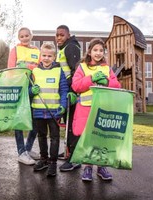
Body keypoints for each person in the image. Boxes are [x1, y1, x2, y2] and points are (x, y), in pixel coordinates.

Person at [71, 38, 121, 181]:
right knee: (88, 140)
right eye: (95, 50)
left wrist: (106, 82)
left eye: (101, 50)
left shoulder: (107, 68)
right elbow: (76, 86)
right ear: (90, 51)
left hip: (103, 110)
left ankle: (101, 167)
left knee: (102, 139)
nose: (98, 53)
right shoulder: (82, 67)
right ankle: (87, 168)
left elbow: (116, 85)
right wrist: (91, 78)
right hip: (85, 109)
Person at [30, 42, 69, 177]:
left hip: (54, 111)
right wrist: (31, 90)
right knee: (41, 136)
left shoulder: (59, 71)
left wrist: (63, 105)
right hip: (38, 111)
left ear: (54, 57)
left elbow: (64, 90)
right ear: (40, 56)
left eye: (49, 56)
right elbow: (28, 91)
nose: (46, 58)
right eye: (44, 55)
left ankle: (53, 162)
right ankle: (44, 159)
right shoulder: (34, 71)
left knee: (54, 137)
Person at [7, 27, 40, 165]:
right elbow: (10, 70)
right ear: (19, 37)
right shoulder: (15, 49)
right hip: (20, 86)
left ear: (31, 36)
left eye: (27, 35)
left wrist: (28, 66)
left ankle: (28, 148)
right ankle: (21, 152)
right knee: (20, 119)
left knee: (36, 118)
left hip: (35, 86)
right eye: (22, 36)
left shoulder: (37, 51)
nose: (25, 38)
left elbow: (41, 67)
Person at [55, 25, 82, 171]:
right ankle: (67, 152)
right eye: (57, 35)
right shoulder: (63, 49)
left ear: (68, 35)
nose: (59, 37)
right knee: (67, 125)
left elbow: (76, 70)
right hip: (64, 91)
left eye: (62, 35)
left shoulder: (71, 47)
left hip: (71, 92)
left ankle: (74, 158)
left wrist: (73, 92)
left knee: (72, 126)